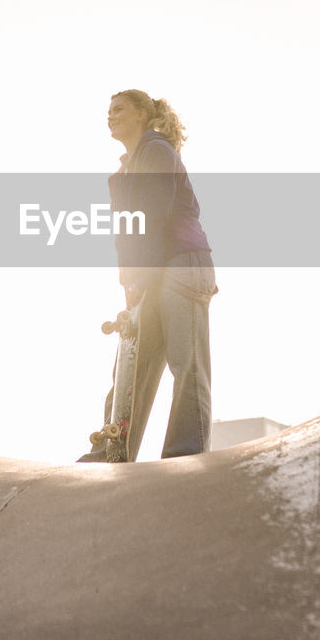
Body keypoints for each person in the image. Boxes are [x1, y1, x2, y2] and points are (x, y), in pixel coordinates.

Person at [78, 90, 217, 461]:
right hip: (153, 270)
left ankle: (185, 454)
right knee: (132, 364)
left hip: (181, 264)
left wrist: (138, 277)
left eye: (119, 109)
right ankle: (110, 450)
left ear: (142, 113)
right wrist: (130, 279)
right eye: (108, 111)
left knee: (186, 364)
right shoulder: (128, 166)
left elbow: (152, 216)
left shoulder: (156, 151)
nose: (111, 116)